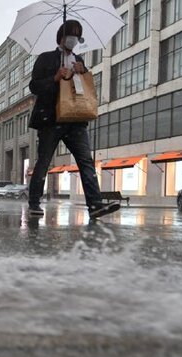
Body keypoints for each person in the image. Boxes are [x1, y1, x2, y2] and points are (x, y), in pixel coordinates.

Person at [26, 20, 119, 219]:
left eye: (78, 35)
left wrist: (83, 71)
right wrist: (55, 78)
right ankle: (34, 203)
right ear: (62, 36)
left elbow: (84, 88)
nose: (74, 39)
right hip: (50, 119)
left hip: (75, 119)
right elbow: (33, 86)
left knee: (86, 161)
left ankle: (95, 205)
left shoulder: (79, 60)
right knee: (43, 161)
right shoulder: (46, 58)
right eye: (72, 34)